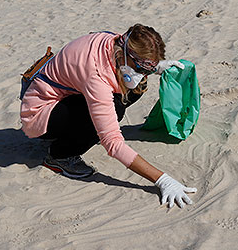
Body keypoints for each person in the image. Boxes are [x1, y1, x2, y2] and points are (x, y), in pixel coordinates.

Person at [20, 25, 197, 209]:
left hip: (65, 94)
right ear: (125, 56)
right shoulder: (96, 76)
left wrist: (157, 67)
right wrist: (162, 179)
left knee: (134, 89)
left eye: (149, 67)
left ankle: (80, 131)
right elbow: (113, 143)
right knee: (115, 109)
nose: (144, 73)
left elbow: (133, 66)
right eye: (141, 67)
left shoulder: (118, 42)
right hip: (39, 113)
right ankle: (59, 156)